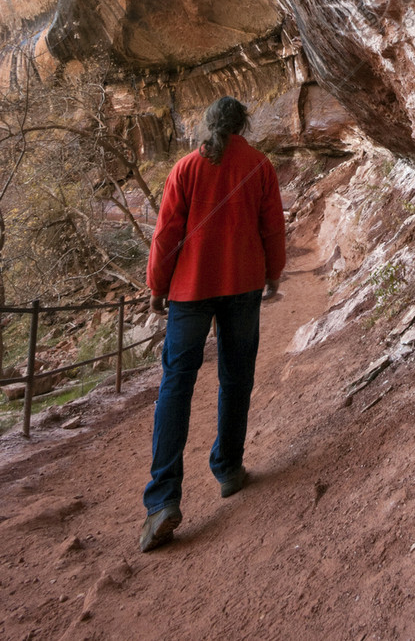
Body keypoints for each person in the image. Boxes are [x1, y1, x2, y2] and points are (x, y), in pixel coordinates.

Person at [139, 96, 286, 553]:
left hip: (189, 289)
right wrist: (273, 274)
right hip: (241, 284)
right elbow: (272, 228)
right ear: (243, 124)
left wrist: (156, 287)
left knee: (175, 387)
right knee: (236, 377)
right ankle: (228, 467)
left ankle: (163, 500)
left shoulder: (185, 168)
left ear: (208, 125)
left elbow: (166, 234)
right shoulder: (260, 165)